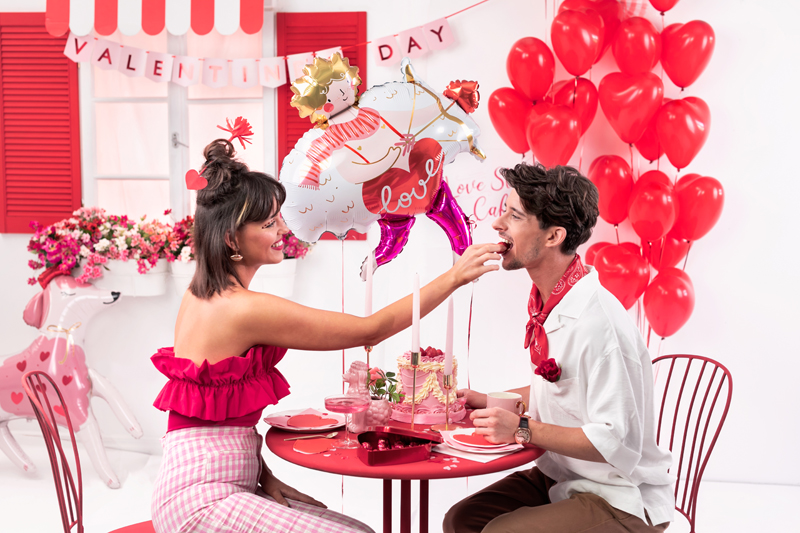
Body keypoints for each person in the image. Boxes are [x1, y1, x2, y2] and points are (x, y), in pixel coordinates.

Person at [149, 139, 501, 533]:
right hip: (200, 500)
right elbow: (371, 330)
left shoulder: (203, 295)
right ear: (232, 239)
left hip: (224, 485)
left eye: (278, 217)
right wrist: (455, 276)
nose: (283, 228)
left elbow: (212, 421)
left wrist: (264, 479)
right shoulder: (242, 308)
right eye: (268, 224)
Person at [444, 163, 674, 533]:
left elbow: (614, 440)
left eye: (514, 215)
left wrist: (521, 429)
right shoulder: (553, 301)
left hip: (620, 496)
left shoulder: (598, 323)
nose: (498, 224)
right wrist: (486, 399)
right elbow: (563, 392)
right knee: (462, 520)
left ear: (553, 236)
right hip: (564, 476)